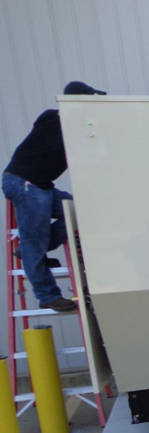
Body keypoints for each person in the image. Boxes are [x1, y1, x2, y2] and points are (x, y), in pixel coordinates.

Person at [2, 81, 106, 312]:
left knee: (82, 213)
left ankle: (32, 251)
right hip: (24, 181)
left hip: (41, 185)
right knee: (33, 240)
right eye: (89, 100)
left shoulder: (78, 129)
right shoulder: (54, 118)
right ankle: (47, 295)